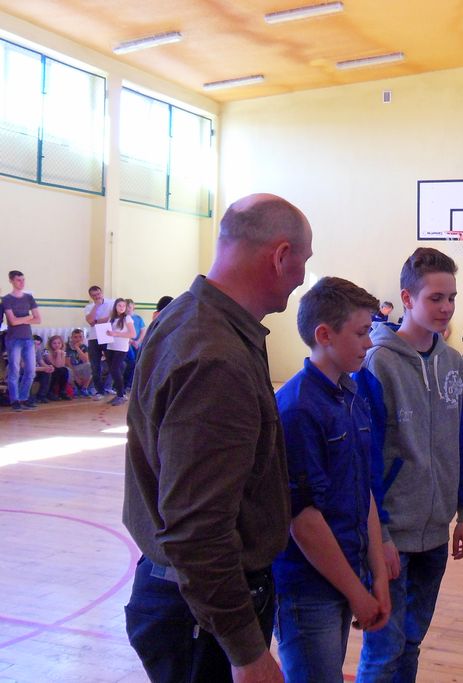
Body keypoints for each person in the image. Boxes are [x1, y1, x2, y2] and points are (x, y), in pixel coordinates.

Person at [122, 193, 313, 683]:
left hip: (193, 603)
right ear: (280, 256)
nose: (302, 277)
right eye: (303, 262)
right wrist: (246, 652)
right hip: (202, 618)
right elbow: (197, 529)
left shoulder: (190, 319)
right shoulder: (216, 358)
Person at [354, 247, 463, 682]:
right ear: (407, 298)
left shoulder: (453, 362)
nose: (446, 308)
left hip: (437, 531)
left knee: (410, 643)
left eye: (452, 298)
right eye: (435, 298)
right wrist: (381, 537)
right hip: (391, 535)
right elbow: (365, 459)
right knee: (383, 650)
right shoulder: (377, 362)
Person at [273, 276, 391, 681]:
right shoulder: (297, 409)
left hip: (347, 575)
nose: (369, 343)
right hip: (308, 589)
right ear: (324, 335)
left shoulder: (351, 394)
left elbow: (364, 490)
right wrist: (358, 593)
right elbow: (303, 521)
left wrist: (377, 575)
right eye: (361, 333)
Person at [3, 270, 41, 411]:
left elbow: (38, 319)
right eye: (18, 280)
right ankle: (14, 400)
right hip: (13, 339)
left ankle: (24, 398)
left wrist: (23, 319)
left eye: (23, 279)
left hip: (28, 338)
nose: (22, 282)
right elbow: (12, 321)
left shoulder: (29, 297)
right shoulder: (7, 299)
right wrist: (28, 317)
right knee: (14, 370)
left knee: (31, 370)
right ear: (11, 281)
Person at [106, 298, 135, 407]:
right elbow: (107, 331)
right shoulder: (112, 318)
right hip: (110, 347)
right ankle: (120, 393)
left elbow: (132, 334)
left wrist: (116, 334)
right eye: (119, 305)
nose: (122, 308)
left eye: (124, 306)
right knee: (112, 370)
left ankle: (121, 395)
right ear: (115, 307)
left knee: (115, 369)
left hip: (121, 348)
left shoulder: (127, 318)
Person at [84, 284, 113, 394]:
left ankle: (109, 387)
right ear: (91, 297)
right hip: (93, 337)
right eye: (94, 295)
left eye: (98, 294)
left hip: (107, 335)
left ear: (102, 293)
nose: (97, 296)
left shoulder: (111, 303)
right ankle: (99, 390)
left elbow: (112, 319)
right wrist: (96, 306)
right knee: (95, 366)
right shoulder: (89, 307)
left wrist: (96, 322)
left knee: (113, 364)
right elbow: (90, 321)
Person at [123, 299, 147, 391]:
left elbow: (143, 331)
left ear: (133, 307)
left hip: (138, 344)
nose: (128, 309)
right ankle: (125, 384)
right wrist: (131, 341)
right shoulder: (122, 319)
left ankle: (132, 384)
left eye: (129, 307)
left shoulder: (138, 318)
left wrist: (138, 341)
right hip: (127, 344)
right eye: (126, 307)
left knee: (137, 364)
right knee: (131, 363)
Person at [67, 328, 94, 398]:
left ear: (83, 338)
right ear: (71, 338)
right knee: (68, 370)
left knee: (89, 365)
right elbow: (68, 363)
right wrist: (76, 377)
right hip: (72, 368)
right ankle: (75, 388)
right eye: (75, 337)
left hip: (81, 368)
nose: (78, 339)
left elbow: (86, 360)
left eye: (80, 337)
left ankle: (84, 388)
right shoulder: (68, 347)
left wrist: (77, 348)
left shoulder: (84, 347)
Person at [44, 334, 71, 401]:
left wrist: (61, 353)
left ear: (62, 344)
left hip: (57, 369)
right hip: (48, 369)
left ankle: (62, 391)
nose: (57, 345)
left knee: (65, 370)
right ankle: (50, 392)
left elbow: (62, 365)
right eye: (54, 343)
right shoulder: (46, 351)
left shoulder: (62, 352)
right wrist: (59, 354)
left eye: (59, 343)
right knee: (57, 370)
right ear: (50, 344)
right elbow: (56, 365)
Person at [32, 334, 55, 403]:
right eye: (34, 344)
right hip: (25, 372)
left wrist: (49, 367)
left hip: (36, 371)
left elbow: (41, 362)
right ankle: (29, 397)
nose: (35, 346)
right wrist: (43, 368)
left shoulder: (37, 351)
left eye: (38, 344)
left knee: (47, 373)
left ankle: (41, 396)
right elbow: (27, 368)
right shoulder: (24, 352)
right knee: (32, 374)